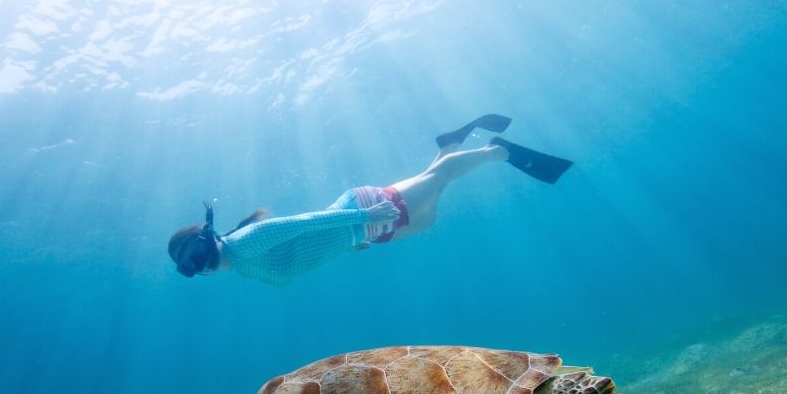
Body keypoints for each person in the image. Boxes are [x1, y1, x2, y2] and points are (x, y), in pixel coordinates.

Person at [167, 114, 573, 285]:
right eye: (191, 268)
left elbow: (305, 223)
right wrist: (353, 241)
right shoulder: (240, 263)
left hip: (360, 213)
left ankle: (498, 151)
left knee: (438, 180)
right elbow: (305, 250)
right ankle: (449, 144)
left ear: (206, 241)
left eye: (196, 257)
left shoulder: (242, 244)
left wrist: (365, 215)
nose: (201, 267)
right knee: (427, 217)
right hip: (356, 231)